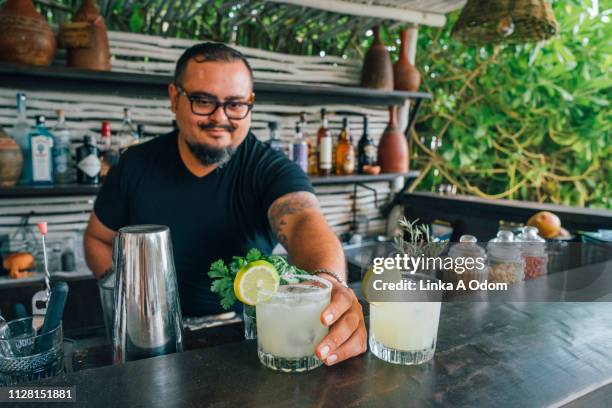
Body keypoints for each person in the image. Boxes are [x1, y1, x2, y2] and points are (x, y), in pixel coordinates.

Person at [84, 43, 366, 366]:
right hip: (149, 344)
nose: (220, 118)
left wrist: (328, 281)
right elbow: (97, 239)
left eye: (235, 104)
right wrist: (127, 302)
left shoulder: (268, 168)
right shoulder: (133, 166)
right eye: (203, 101)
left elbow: (304, 220)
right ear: (174, 98)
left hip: (240, 340)